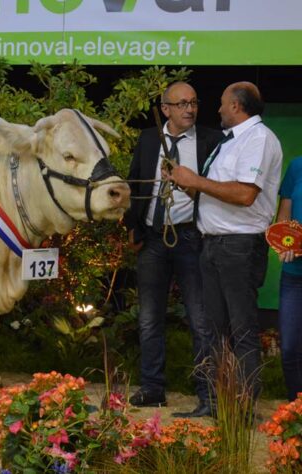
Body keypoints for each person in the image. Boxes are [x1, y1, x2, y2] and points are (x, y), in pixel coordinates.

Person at [170, 81, 283, 402]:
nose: (217, 109)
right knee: (217, 334)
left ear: (236, 106)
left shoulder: (258, 139)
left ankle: (243, 411)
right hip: (213, 245)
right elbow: (214, 191)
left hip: (239, 247)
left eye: (221, 103)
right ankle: (220, 406)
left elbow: (246, 194)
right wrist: (183, 183)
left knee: (242, 333)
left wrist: (196, 180)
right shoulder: (231, 142)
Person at [124, 82, 223, 417]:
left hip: (193, 239)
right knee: (150, 319)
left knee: (200, 319)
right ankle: (153, 389)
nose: (190, 110)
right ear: (165, 108)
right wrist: (133, 228)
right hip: (153, 238)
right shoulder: (149, 138)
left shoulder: (211, 140)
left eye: (194, 102)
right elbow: (134, 182)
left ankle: (208, 396)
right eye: (181, 104)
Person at [273, 156, 302, 401]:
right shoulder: (297, 166)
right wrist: (284, 243)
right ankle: (296, 411)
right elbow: (284, 217)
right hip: (294, 276)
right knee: (290, 348)